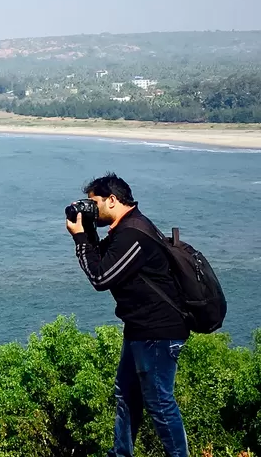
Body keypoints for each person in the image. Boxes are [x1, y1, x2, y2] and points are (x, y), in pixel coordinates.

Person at [67, 172, 189, 457]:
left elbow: (100, 277)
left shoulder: (134, 233)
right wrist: (89, 232)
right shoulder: (126, 229)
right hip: (140, 328)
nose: (90, 208)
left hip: (157, 331)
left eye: (93, 203)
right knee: (126, 395)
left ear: (112, 200)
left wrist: (80, 238)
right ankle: (120, 453)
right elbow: (104, 262)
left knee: (159, 402)